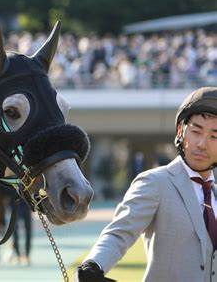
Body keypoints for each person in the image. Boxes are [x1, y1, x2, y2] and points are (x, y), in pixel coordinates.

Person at [75, 87, 217, 282]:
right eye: (196, 131)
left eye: (214, 136)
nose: (202, 143)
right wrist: (94, 264)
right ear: (180, 131)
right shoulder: (155, 182)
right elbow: (119, 233)